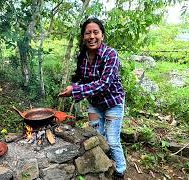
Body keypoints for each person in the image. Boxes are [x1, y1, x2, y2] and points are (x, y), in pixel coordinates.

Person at [58, 17, 126, 179]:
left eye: (96, 32)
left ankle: (120, 170)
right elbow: (82, 80)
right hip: (95, 104)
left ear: (102, 35)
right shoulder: (82, 56)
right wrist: (74, 89)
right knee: (97, 135)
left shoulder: (110, 55)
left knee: (113, 140)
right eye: (87, 33)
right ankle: (103, 164)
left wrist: (75, 90)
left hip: (113, 103)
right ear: (83, 37)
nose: (91, 36)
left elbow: (104, 84)